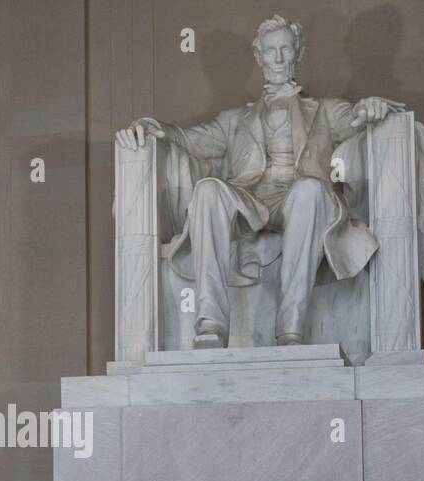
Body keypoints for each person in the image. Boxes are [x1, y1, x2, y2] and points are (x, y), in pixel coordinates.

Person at [114, 15, 402, 348]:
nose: (278, 58)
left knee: (309, 188)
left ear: (298, 53)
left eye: (285, 49)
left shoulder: (324, 110)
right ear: (259, 56)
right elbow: (190, 139)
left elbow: (356, 120)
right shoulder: (235, 120)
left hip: (301, 199)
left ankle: (290, 328)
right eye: (271, 51)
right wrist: (155, 128)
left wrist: (370, 108)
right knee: (208, 190)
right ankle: (210, 323)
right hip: (250, 200)